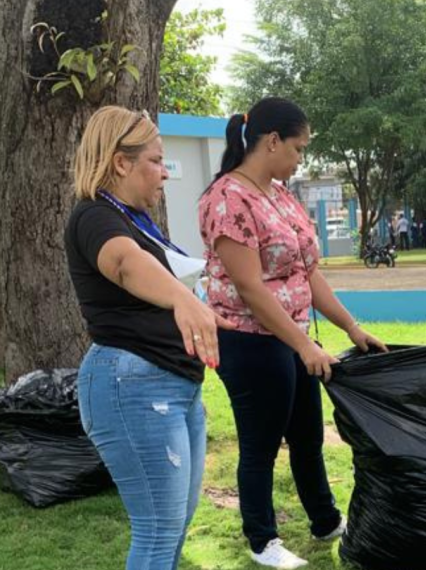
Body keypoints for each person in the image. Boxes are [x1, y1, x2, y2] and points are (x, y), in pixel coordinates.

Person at [198, 97, 388, 570]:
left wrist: (351, 327)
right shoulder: (227, 199)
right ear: (272, 141)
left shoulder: (280, 195)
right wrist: (303, 345)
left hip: (292, 338)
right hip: (250, 341)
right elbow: (250, 287)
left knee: (307, 436)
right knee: (261, 444)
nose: (301, 158)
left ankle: (325, 520)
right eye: (298, 148)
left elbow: (307, 273)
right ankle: (262, 540)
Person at [66, 106, 234, 570]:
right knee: (158, 530)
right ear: (121, 162)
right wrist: (182, 301)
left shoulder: (134, 219)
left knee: (174, 525)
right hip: (133, 389)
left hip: (173, 387)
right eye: (156, 161)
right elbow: (125, 263)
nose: (165, 173)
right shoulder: (93, 216)